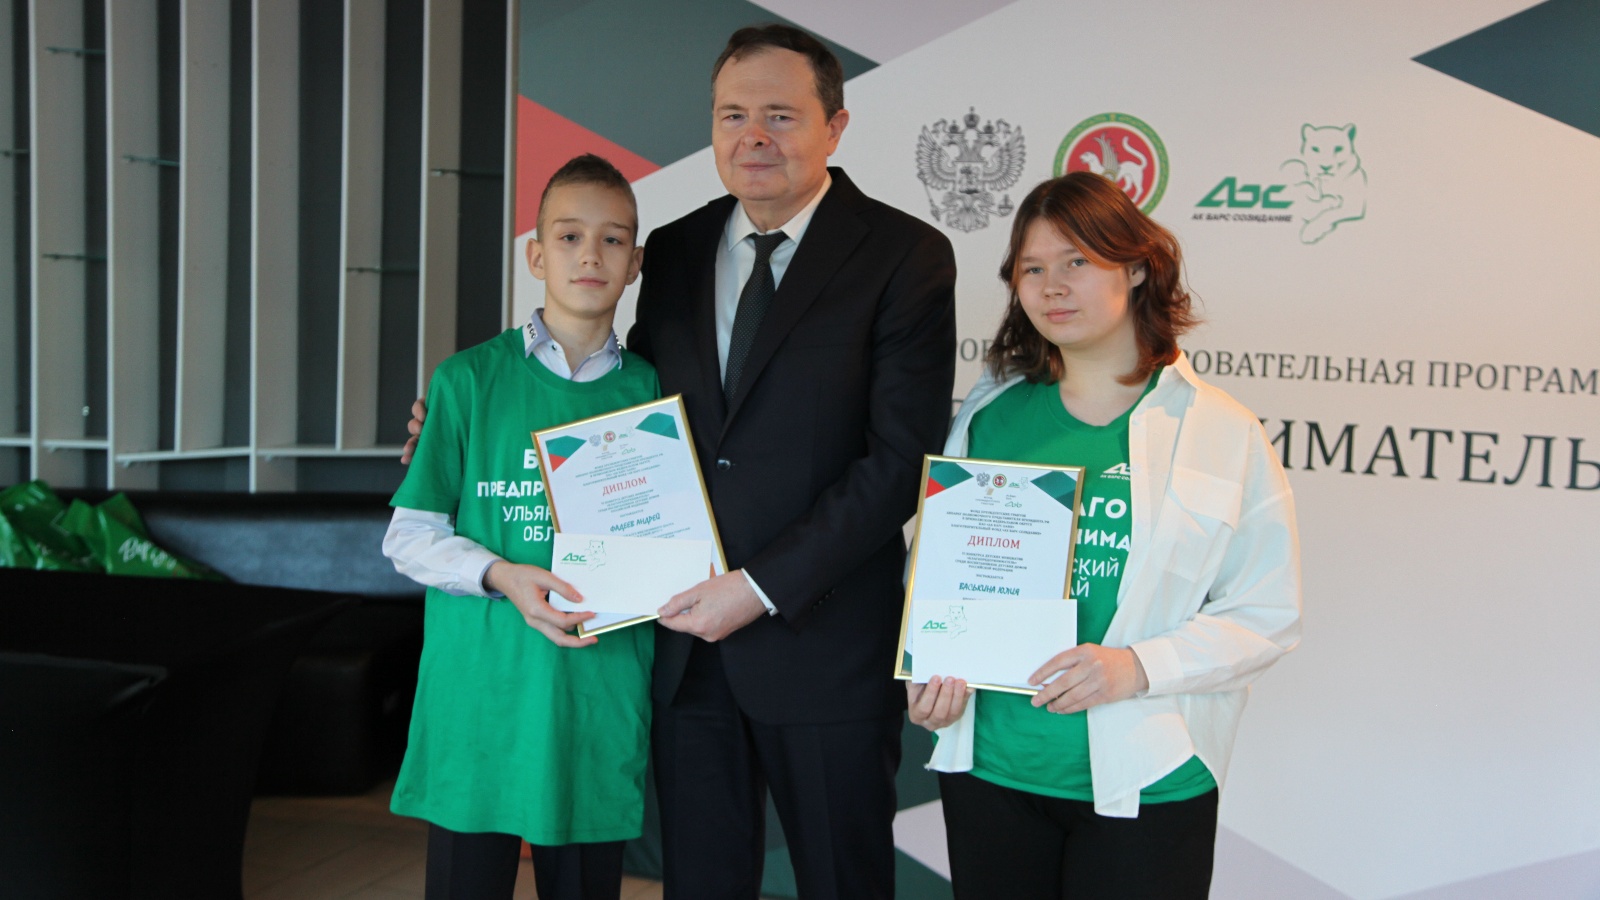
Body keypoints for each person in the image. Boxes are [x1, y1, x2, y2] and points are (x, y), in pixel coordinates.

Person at [626, 25, 956, 900]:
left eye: (780, 114)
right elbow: (628, 414)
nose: (753, 137)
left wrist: (759, 587)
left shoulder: (904, 256)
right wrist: (474, 425)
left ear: (835, 127)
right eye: (732, 115)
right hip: (689, 649)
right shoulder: (675, 249)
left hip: (826, 645)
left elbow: (898, 460)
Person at [907, 172, 1302, 899]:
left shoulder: (1220, 431)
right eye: (1032, 269)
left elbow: (1265, 614)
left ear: (1138, 268)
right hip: (993, 767)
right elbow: (938, 576)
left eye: (1077, 261)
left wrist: (1136, 667)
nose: (1052, 286)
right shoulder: (989, 420)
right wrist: (930, 672)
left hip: (1148, 775)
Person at [383, 154, 659, 900]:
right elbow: (408, 535)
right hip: (481, 690)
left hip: (594, 692)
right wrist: (501, 575)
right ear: (536, 256)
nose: (590, 255)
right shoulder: (467, 380)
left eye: (612, 240)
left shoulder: (655, 393)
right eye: (569, 237)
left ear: (635, 264)